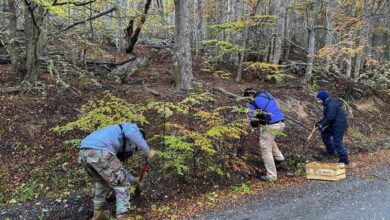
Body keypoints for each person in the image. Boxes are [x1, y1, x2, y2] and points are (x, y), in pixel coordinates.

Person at [78, 122, 155, 220]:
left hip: (85, 153)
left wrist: (135, 179)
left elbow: (117, 171)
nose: (134, 148)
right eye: (135, 145)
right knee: (122, 184)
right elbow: (131, 132)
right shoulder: (131, 127)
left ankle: (98, 214)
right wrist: (147, 150)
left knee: (102, 181)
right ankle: (123, 216)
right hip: (100, 150)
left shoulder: (113, 141)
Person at [244, 88, 286, 182]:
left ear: (249, 96)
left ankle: (271, 176)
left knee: (265, 148)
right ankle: (279, 158)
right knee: (269, 140)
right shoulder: (268, 94)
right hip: (281, 123)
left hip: (271, 125)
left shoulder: (252, 103)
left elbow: (252, 120)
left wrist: (252, 124)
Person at [316, 90, 349, 165]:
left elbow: (330, 117)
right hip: (334, 125)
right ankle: (330, 151)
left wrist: (322, 125)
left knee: (337, 142)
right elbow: (327, 117)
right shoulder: (328, 103)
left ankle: (344, 159)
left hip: (339, 126)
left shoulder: (331, 104)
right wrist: (319, 123)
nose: (318, 101)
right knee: (325, 134)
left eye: (318, 99)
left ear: (323, 98)